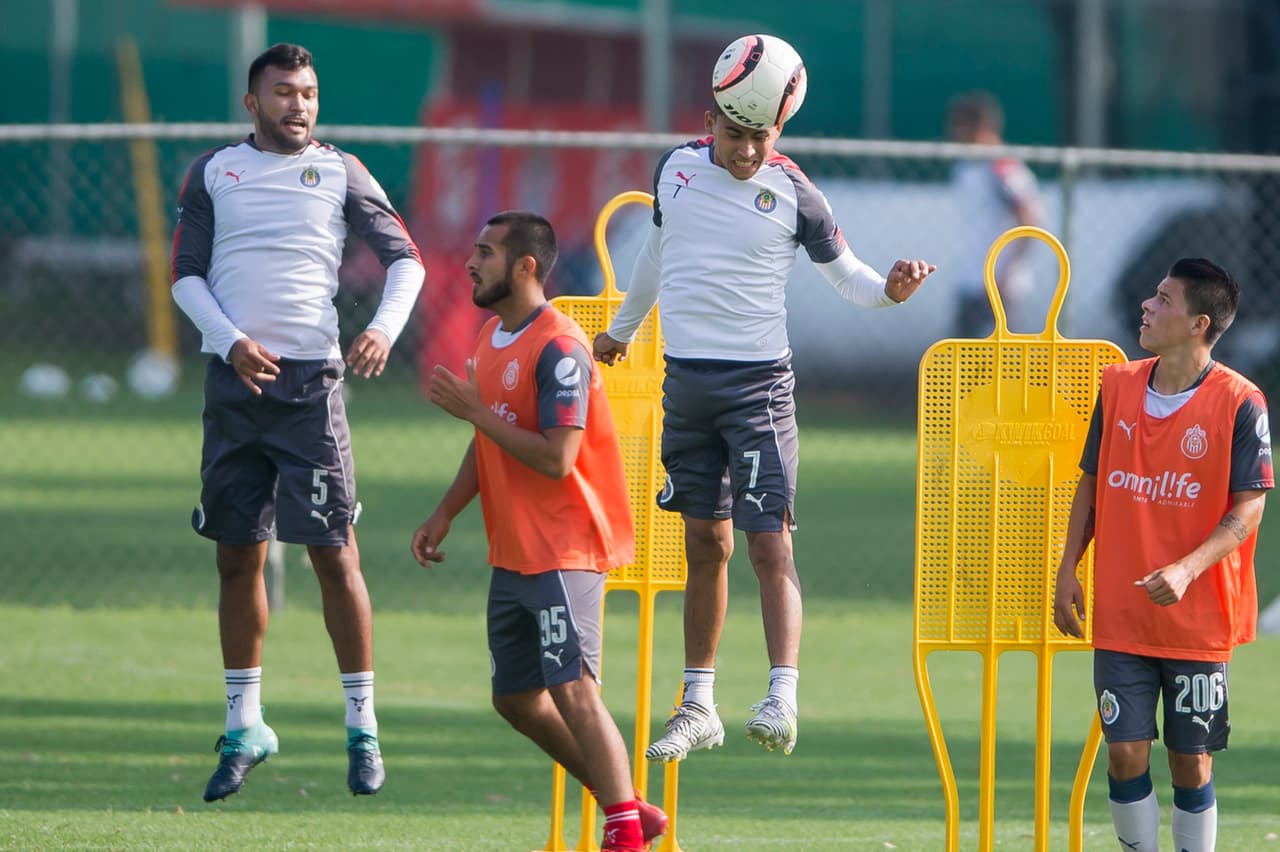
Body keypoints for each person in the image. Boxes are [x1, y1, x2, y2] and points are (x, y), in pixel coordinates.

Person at [592, 100, 935, 761]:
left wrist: (891, 290)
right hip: (687, 386)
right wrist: (622, 331)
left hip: (758, 393)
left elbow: (850, 280)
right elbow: (654, 255)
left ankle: (782, 697)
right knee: (703, 544)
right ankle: (698, 705)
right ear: (708, 120)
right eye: (734, 132)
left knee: (767, 544)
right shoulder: (676, 171)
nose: (746, 149)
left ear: (777, 133)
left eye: (760, 135)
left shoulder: (796, 191)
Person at [171, 42, 425, 801]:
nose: (299, 105)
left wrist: (383, 328)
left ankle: (362, 728)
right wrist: (231, 342)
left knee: (332, 556)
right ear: (253, 104)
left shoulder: (342, 170)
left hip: (312, 391)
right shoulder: (213, 171)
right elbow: (185, 275)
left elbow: (406, 259)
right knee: (236, 557)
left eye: (308, 92)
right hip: (234, 387)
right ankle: (245, 726)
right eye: (283, 92)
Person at [410, 211, 667, 852]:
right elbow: (489, 438)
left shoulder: (561, 347)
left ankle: (624, 832)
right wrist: (446, 511)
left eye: (486, 252)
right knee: (518, 699)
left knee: (573, 690)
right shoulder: (490, 337)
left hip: (563, 545)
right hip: (515, 549)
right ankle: (629, 805)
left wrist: (473, 410)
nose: (471, 262)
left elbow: (558, 457)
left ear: (526, 267)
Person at [1054, 258, 1272, 852]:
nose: (1147, 307)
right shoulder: (1118, 384)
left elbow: (1248, 509)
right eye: (1153, 296)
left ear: (1199, 323)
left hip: (1198, 620)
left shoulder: (1240, 402)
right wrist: (1067, 568)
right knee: (1124, 753)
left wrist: (1185, 568)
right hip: (1122, 615)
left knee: (1189, 762)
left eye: (1163, 299)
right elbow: (1090, 483)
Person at [946, 91, 1044, 337]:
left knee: (997, 365)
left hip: (998, 285)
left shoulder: (1001, 167)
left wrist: (1006, 272)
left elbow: (1029, 220)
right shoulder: (967, 167)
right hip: (971, 279)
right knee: (963, 364)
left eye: (959, 126)